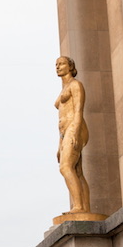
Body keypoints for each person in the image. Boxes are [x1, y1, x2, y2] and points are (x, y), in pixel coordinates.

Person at [54, 56, 91, 213]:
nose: (58, 67)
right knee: (76, 171)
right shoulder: (64, 87)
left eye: (61, 64)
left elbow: (78, 110)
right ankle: (84, 207)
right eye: (56, 64)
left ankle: (78, 207)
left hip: (74, 127)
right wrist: (59, 144)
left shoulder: (75, 85)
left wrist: (75, 131)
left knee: (65, 167)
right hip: (65, 131)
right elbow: (61, 116)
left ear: (70, 66)